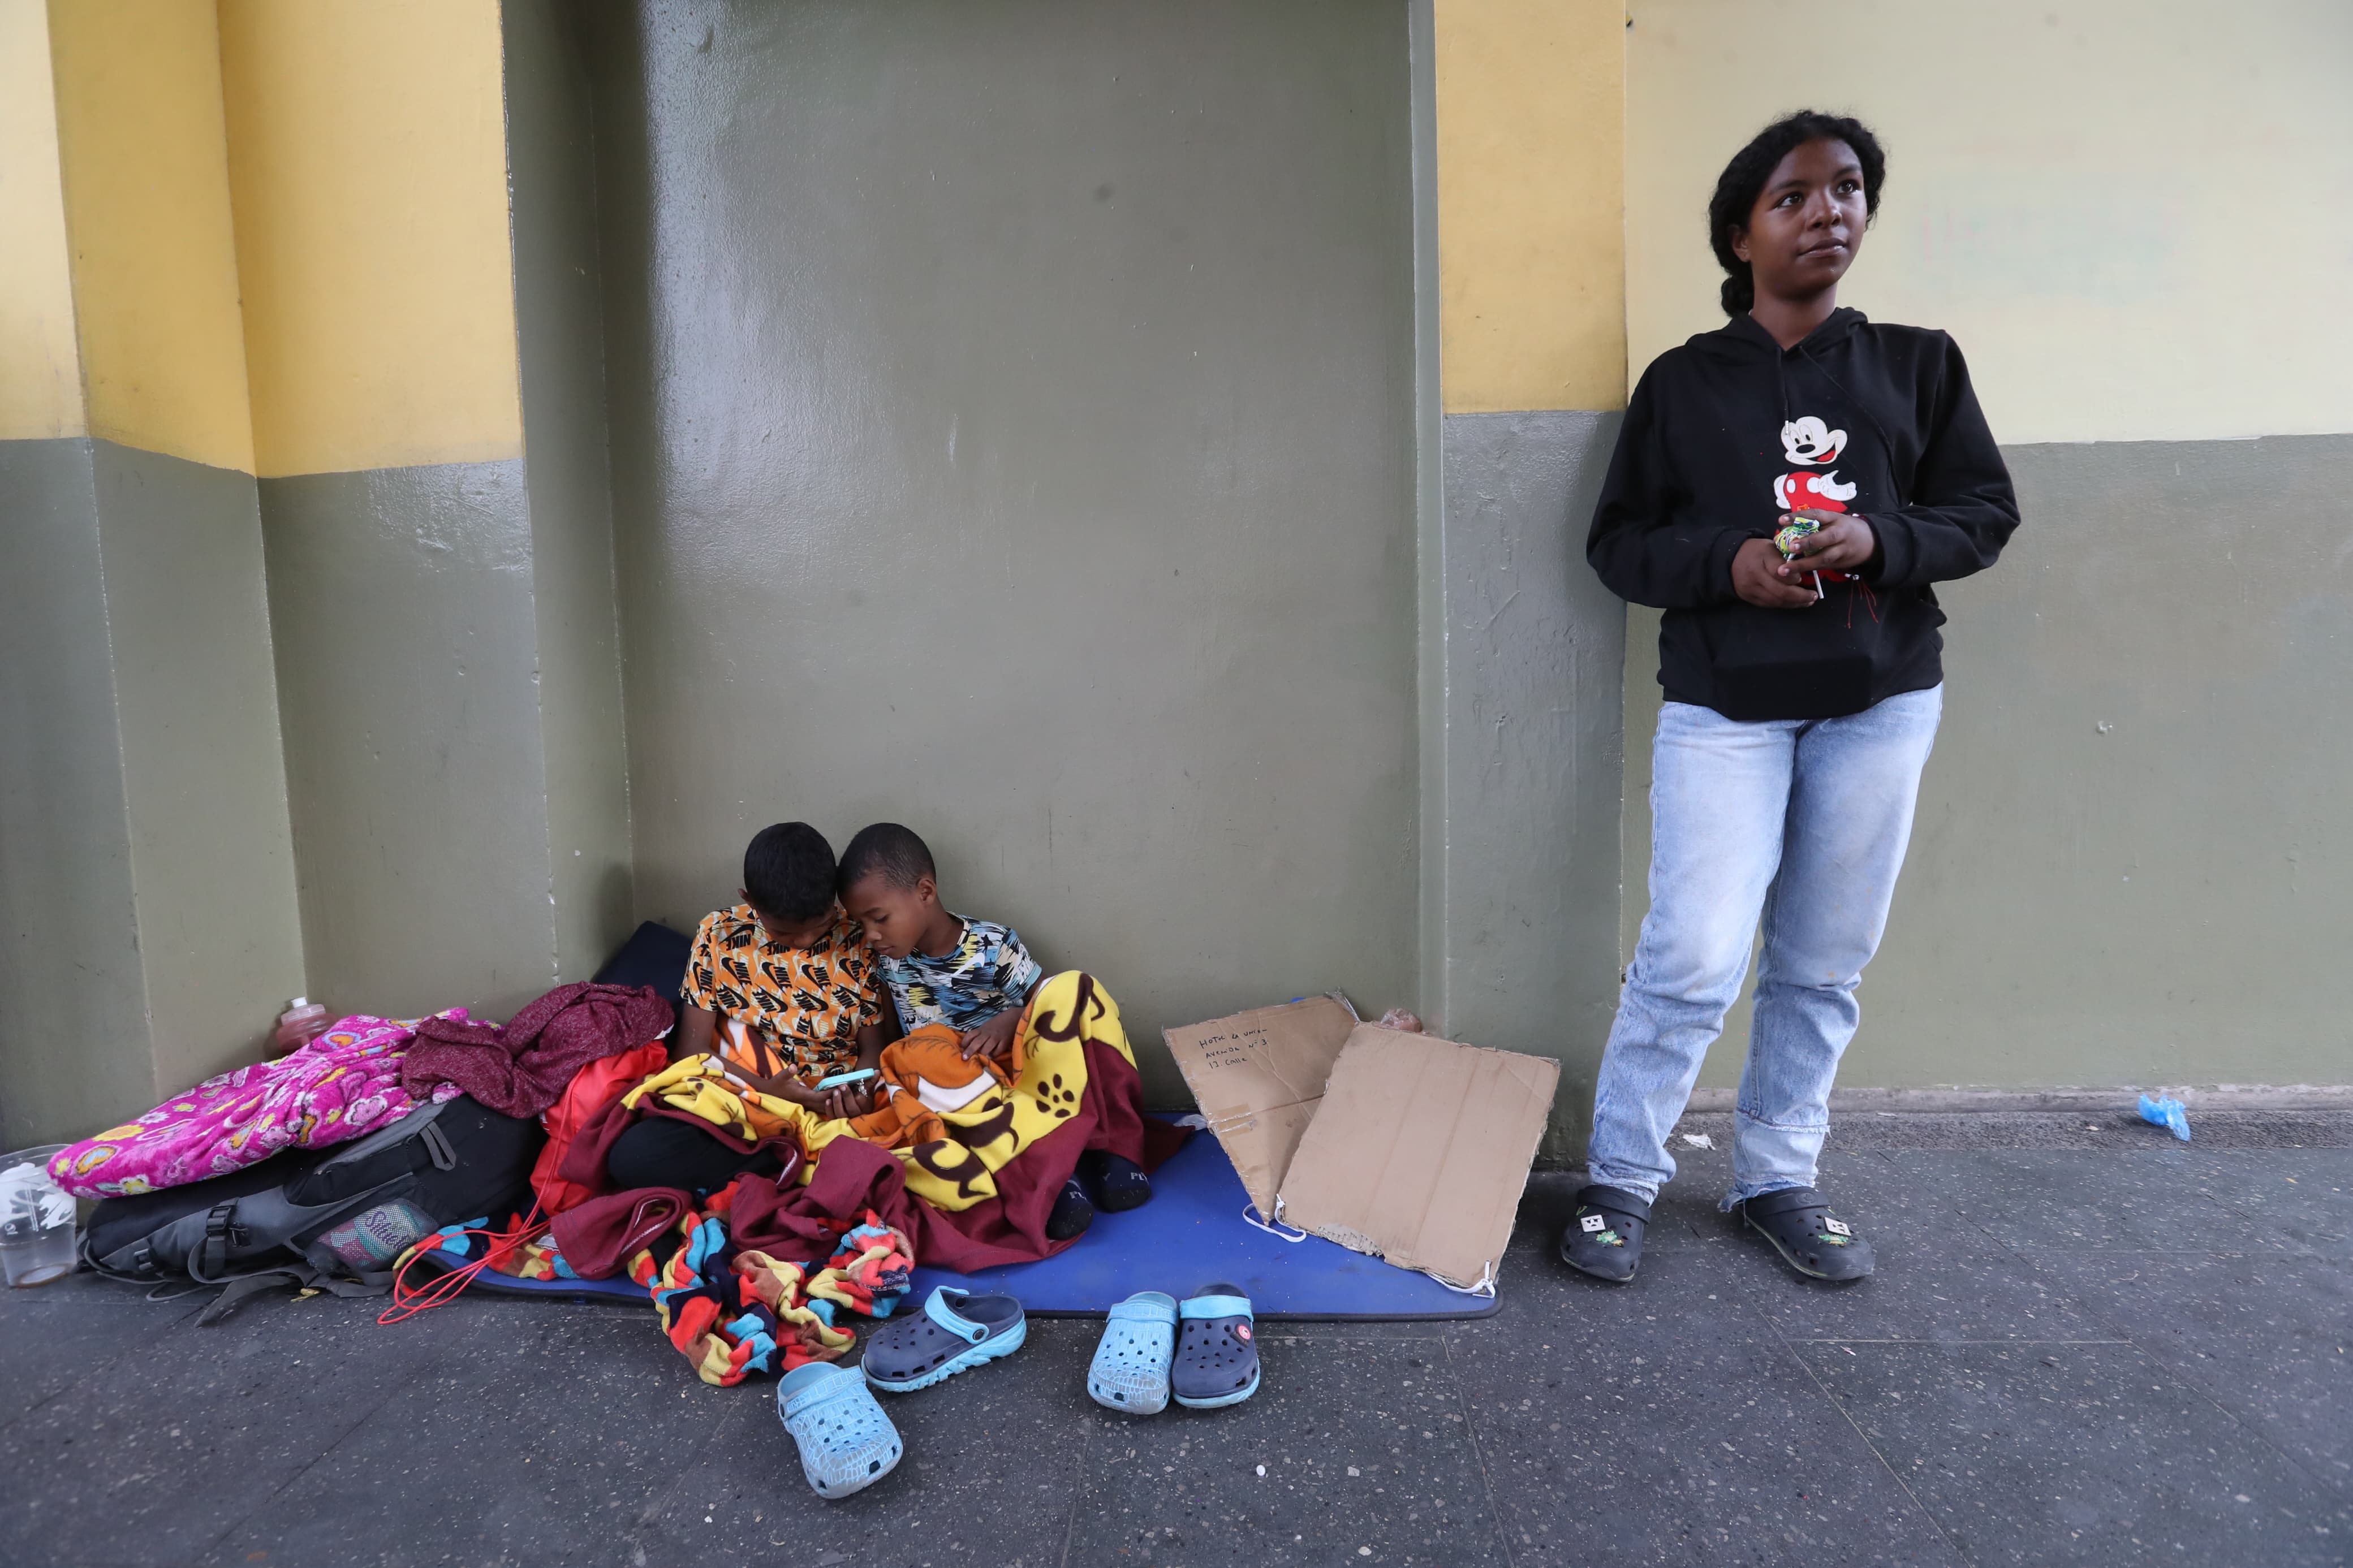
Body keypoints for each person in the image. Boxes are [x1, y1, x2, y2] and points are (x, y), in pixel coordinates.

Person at [1563, 111, 2019, 1285]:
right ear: (1738, 235)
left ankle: (1777, 1178)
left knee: (1822, 959)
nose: (1828, 212)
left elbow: (1982, 516)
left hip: (1879, 703)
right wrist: (1730, 564)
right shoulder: (1682, 384)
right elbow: (1618, 548)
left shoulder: (1918, 363)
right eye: (1793, 196)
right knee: (1694, 954)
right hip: (1724, 707)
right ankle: (1620, 1178)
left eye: (1848, 189)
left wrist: (1875, 537)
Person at [838, 822, 1153, 1238]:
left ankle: (1116, 1152)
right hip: (960, 1094)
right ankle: (1050, 1182)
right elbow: (894, 1046)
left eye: (879, 918)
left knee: (1077, 988)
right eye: (862, 924)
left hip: (1020, 1070)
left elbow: (1047, 1003)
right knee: (915, 1053)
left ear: (926, 892)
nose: (872, 935)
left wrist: (1011, 1019)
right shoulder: (886, 963)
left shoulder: (993, 944)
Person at [605, 822, 897, 1192]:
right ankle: (787, 1161)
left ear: (834, 900)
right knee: (632, 1157)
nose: (805, 941)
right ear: (750, 900)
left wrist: (861, 1091)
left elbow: (874, 1048)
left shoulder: (857, 939)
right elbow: (691, 1053)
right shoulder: (719, 935)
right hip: (747, 1097)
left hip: (831, 1108)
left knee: (894, 1150)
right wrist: (768, 1090)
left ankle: (787, 1162)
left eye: (820, 925)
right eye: (785, 934)